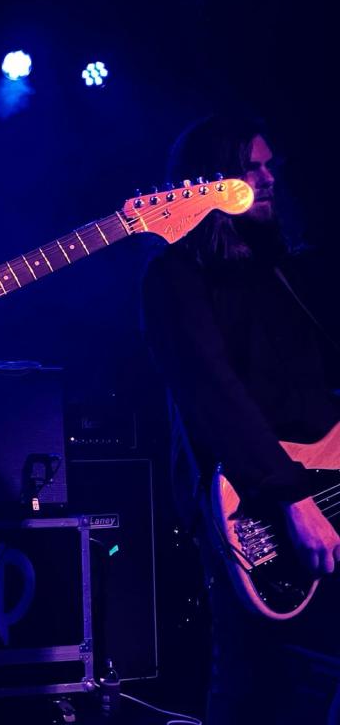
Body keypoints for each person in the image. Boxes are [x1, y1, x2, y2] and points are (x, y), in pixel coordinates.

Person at [141, 115, 340, 724]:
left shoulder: (283, 269)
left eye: (270, 165)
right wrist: (292, 496)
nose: (267, 177)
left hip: (321, 489)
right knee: (256, 682)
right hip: (254, 504)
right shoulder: (177, 274)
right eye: (251, 167)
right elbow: (211, 391)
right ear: (211, 180)